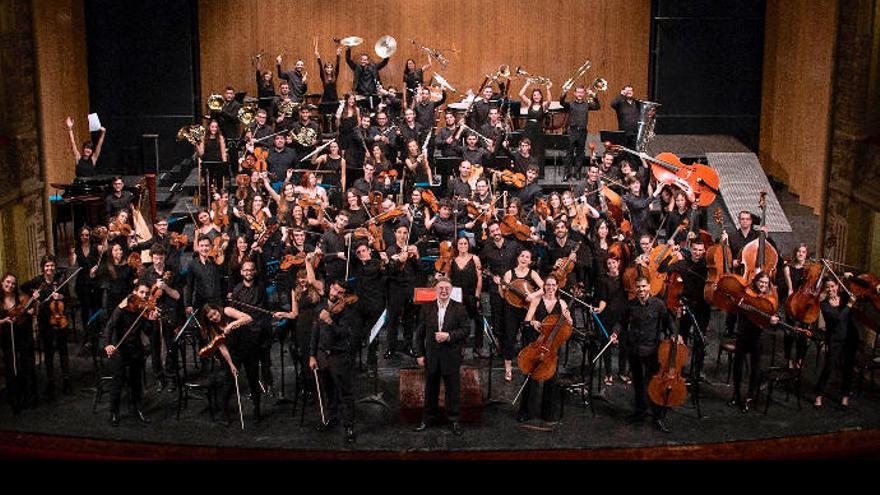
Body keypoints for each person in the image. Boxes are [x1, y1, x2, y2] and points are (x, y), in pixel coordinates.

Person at [610, 276, 676, 433]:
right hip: (634, 349)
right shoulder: (630, 305)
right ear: (635, 289)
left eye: (644, 286)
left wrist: (674, 333)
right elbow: (621, 322)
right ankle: (640, 412)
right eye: (638, 287)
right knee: (638, 383)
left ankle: (657, 416)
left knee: (653, 384)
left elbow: (669, 321)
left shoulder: (658, 305)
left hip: (652, 350)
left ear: (649, 287)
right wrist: (615, 333)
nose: (641, 289)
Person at [413, 277, 469, 436]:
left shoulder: (459, 308)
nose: (444, 291)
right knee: (431, 388)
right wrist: (419, 354)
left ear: (451, 290)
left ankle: (454, 420)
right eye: (441, 288)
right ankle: (427, 419)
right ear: (435, 290)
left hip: (451, 355)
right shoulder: (426, 308)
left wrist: (449, 336)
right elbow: (419, 334)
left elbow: (466, 330)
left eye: (447, 288)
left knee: (453, 389)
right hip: (432, 355)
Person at [309, 279, 358, 443]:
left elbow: (345, 333)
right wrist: (312, 355)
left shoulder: (347, 311)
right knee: (328, 391)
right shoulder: (320, 307)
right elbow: (315, 332)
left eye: (341, 292)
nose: (336, 294)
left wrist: (330, 321)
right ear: (330, 288)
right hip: (322, 355)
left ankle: (349, 426)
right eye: (335, 290)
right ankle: (332, 419)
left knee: (345, 393)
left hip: (339, 355)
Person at [519, 275, 572, 423]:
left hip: (553, 346)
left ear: (557, 287)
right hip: (538, 342)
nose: (550, 288)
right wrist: (534, 322)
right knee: (532, 375)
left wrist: (568, 318)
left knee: (551, 377)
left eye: (553, 285)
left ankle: (548, 414)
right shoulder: (537, 300)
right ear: (544, 286)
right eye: (548, 285)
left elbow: (569, 324)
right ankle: (526, 412)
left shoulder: (562, 303)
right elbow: (527, 320)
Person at [102, 283, 155, 427]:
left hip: (135, 349)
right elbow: (110, 325)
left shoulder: (142, 310)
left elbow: (148, 332)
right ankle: (114, 412)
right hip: (119, 350)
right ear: (134, 292)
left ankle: (137, 408)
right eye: (141, 292)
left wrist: (151, 321)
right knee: (118, 382)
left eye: (147, 293)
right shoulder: (122, 308)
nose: (144, 296)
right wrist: (107, 344)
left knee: (136, 382)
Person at [727, 272, 778, 413]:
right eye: (761, 282)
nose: (763, 285)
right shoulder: (747, 294)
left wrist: (773, 320)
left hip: (757, 337)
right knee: (738, 367)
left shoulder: (769, 299)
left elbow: (773, 316)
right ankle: (736, 394)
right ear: (755, 281)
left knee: (755, 369)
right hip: (743, 335)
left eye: (766, 283)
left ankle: (750, 397)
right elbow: (734, 307)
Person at [200, 302, 254, 426]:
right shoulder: (212, 329)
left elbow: (248, 318)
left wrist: (232, 324)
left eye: (214, 313)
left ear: (217, 309)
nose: (214, 317)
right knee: (228, 382)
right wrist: (231, 365)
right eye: (210, 317)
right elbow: (223, 348)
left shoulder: (227, 311)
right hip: (231, 352)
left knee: (252, 377)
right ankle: (223, 413)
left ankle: (256, 410)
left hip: (245, 346)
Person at [498, 249, 544, 382]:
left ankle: (528, 366)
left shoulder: (532, 273)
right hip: (511, 309)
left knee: (529, 338)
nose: (524, 258)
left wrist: (533, 295)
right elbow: (503, 295)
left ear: (530, 261)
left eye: (527, 257)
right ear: (518, 258)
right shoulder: (509, 273)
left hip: (527, 310)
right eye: (522, 256)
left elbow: (544, 287)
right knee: (509, 338)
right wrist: (500, 286)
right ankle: (508, 369)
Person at [814, 278, 858, 409]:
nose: (830, 289)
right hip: (835, 339)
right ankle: (819, 394)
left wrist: (850, 279)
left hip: (850, 337)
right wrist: (849, 305)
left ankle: (845, 396)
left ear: (838, 286)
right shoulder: (824, 305)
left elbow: (859, 293)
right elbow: (838, 318)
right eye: (827, 287)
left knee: (848, 367)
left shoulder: (845, 297)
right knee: (829, 367)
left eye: (832, 286)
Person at [381, 224, 422, 359]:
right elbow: (390, 272)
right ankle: (390, 348)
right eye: (399, 232)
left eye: (405, 233)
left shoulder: (412, 248)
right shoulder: (390, 250)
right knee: (393, 319)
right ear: (395, 233)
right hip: (395, 288)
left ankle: (408, 345)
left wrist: (416, 255)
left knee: (409, 319)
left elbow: (419, 270)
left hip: (409, 287)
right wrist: (399, 261)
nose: (402, 235)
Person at [0, 273, 38, 414]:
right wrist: (3, 321)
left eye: (13, 283)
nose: (10, 285)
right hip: (5, 337)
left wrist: (30, 312)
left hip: (21, 336)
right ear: (2, 283)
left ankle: (28, 397)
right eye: (7, 282)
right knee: (11, 368)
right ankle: (14, 400)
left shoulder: (21, 298)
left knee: (24, 366)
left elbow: (28, 315)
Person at [445, 237, 485, 358]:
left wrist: (477, 296)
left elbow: (479, 278)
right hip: (457, 295)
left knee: (478, 321)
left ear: (468, 245)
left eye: (465, 243)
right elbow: (448, 278)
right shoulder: (452, 260)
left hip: (472, 294)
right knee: (458, 323)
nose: (463, 246)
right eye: (460, 244)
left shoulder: (475, 259)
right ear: (457, 246)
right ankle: (460, 347)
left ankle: (478, 347)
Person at [559, 85, 600, 181]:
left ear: (584, 93)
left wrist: (594, 96)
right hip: (572, 131)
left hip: (582, 131)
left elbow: (597, 106)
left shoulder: (587, 104)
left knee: (580, 153)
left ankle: (577, 173)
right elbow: (562, 102)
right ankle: (567, 173)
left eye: (581, 92)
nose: (580, 94)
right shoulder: (570, 104)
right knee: (569, 153)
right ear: (574, 93)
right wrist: (564, 93)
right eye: (578, 92)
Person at [783, 243, 811, 369]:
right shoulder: (788, 268)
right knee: (789, 332)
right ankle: (788, 359)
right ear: (795, 253)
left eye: (803, 252)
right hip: (793, 301)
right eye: (799, 251)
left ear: (806, 254)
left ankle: (800, 359)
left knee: (803, 333)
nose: (801, 254)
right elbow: (790, 289)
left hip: (805, 303)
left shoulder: (809, 269)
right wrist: (792, 302)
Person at [518, 80, 552, 173]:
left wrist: (548, 89)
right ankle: (525, 170)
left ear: (541, 96)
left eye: (538, 95)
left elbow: (549, 101)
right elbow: (520, 94)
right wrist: (527, 83)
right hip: (528, 128)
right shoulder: (529, 103)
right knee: (526, 148)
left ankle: (537, 172)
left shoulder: (543, 105)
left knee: (538, 150)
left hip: (538, 130)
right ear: (532, 97)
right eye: (534, 95)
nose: (536, 96)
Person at [610, 85, 640, 149]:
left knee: (634, 151)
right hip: (624, 132)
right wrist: (621, 95)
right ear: (623, 91)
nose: (629, 92)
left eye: (631, 90)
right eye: (627, 90)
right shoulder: (620, 102)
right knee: (623, 150)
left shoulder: (637, 102)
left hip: (635, 132)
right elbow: (612, 104)